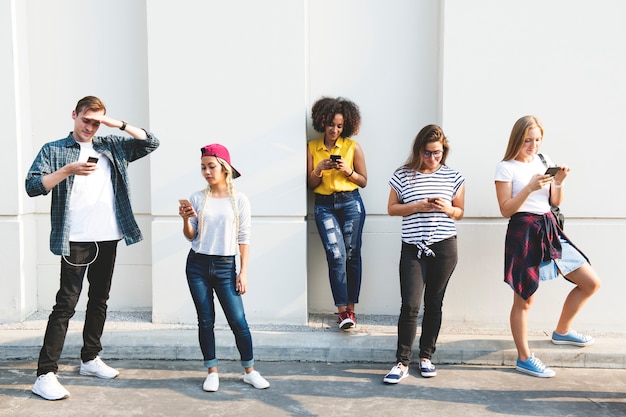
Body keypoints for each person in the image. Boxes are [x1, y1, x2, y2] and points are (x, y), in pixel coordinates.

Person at [25, 96, 160, 400]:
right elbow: (33, 186)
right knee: (66, 305)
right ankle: (45, 374)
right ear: (74, 115)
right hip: (74, 239)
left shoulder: (112, 145)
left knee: (99, 300)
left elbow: (151, 143)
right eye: (86, 120)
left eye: (96, 122)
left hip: (108, 236)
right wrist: (67, 171)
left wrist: (117, 124)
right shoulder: (54, 149)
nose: (90, 127)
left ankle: (90, 359)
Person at [494, 115, 601, 378]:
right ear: (517, 139)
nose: (533, 145)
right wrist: (529, 187)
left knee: (590, 282)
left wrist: (559, 181)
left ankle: (562, 331)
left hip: (549, 226)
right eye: (528, 140)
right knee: (524, 298)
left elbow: (555, 200)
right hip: (524, 232)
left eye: (537, 140)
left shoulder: (544, 160)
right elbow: (506, 209)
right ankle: (524, 358)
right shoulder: (506, 167)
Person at [179, 143, 269, 392]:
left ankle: (250, 370)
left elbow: (244, 237)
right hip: (197, 265)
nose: (207, 172)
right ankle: (212, 371)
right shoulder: (198, 198)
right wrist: (186, 219)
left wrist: (243, 271)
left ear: (224, 168)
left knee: (238, 320)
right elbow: (191, 235)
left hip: (225, 265)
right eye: (203, 168)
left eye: (211, 167)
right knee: (205, 320)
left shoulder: (239, 200)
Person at [383, 124, 465, 383]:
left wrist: (447, 209)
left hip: (444, 247)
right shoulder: (403, 175)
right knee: (410, 305)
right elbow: (392, 209)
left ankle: (426, 357)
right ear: (419, 150)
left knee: (434, 304)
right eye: (428, 153)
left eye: (438, 153)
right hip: (413, 248)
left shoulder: (453, 177)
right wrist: (416, 206)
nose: (432, 159)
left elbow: (460, 212)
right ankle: (402, 362)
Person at [306, 97, 368, 330]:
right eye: (331, 124)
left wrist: (348, 171)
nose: (334, 129)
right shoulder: (312, 147)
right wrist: (319, 169)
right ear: (323, 121)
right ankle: (341, 311)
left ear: (346, 126)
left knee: (352, 255)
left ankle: (351, 309)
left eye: (340, 126)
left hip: (351, 202)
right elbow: (311, 185)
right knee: (336, 256)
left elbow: (363, 181)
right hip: (324, 206)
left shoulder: (353, 148)